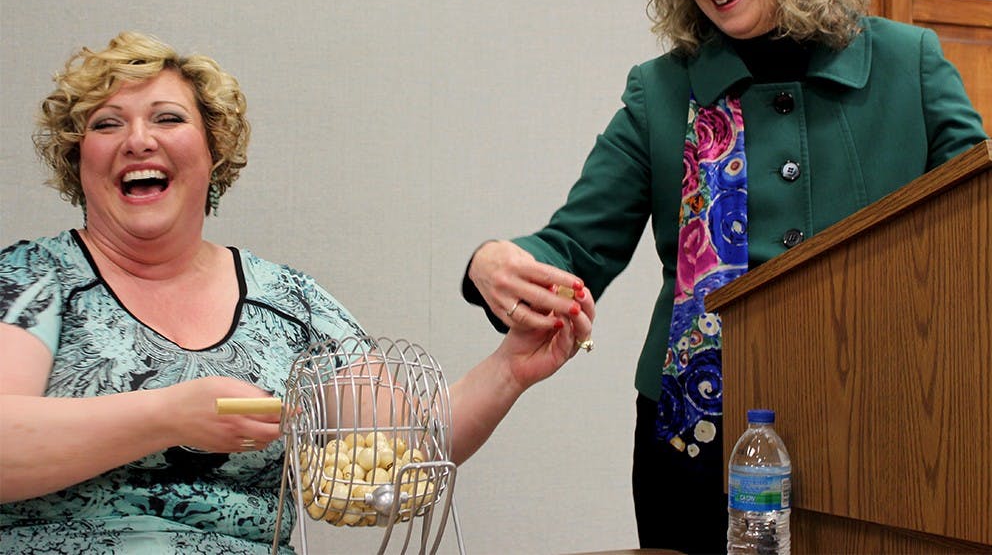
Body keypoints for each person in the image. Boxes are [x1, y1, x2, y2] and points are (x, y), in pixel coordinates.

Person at [460, 0, 987, 554]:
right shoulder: (659, 92)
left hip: (890, 427)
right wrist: (492, 262)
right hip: (695, 447)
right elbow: (573, 247)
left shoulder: (910, 63)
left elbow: (982, 234)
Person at [0, 31, 595, 554]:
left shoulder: (288, 300)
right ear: (78, 161)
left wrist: (508, 369)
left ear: (214, 152)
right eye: (107, 124)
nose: (138, 140)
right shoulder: (35, 278)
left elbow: (406, 444)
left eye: (168, 119)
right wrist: (167, 416)